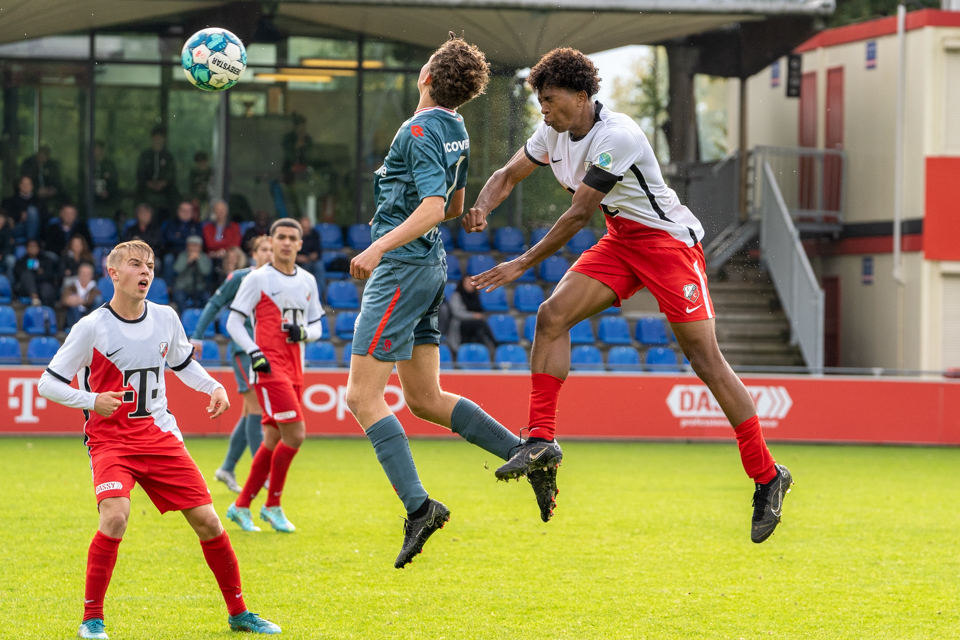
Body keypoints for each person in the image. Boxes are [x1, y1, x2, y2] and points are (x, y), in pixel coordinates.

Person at [466, 47, 793, 543]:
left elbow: (578, 214)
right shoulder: (552, 130)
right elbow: (507, 175)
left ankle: (768, 476)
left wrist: (522, 262)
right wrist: (481, 207)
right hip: (622, 239)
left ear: (582, 96)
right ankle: (541, 441)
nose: (543, 110)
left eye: (550, 100)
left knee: (706, 361)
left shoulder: (617, 135)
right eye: (539, 100)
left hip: (668, 246)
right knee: (551, 315)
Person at [344, 36, 556, 571]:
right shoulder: (455, 127)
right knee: (425, 398)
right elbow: (457, 203)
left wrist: (377, 244)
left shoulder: (416, 128)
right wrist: (464, 215)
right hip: (431, 267)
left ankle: (420, 508)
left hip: (401, 269)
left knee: (361, 398)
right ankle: (524, 453)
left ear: (428, 77)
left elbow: (436, 205)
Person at [36, 240, 281, 638]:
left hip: (160, 436)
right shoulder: (92, 327)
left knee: (209, 523)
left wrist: (214, 387)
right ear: (113, 273)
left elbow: (183, 363)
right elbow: (48, 382)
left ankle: (239, 614)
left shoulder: (166, 317)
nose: (145, 271)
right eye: (135, 264)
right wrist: (91, 400)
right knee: (115, 518)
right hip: (111, 441)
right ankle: (92, 620)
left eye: (150, 264)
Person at [224, 219, 323, 534]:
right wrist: (255, 353)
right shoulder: (258, 279)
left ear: (299, 244)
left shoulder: (307, 280)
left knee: (273, 439)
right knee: (296, 434)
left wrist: (303, 332)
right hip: (269, 368)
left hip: (296, 366)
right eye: (280, 237)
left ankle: (240, 507)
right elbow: (234, 323)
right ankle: (272, 505)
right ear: (273, 240)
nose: (286, 242)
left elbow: (319, 326)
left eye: (292, 238)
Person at [190, 236, 273, 494]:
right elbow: (215, 303)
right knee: (256, 408)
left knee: (250, 411)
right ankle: (263, 473)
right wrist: (197, 336)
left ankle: (227, 468)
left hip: (265, 351)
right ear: (253, 254)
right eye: (263, 250)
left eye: (271, 250)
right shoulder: (241, 277)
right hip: (243, 350)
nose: (269, 254)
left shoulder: (279, 281)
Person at [135, 126, 178, 221]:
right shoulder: (145, 155)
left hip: (165, 192)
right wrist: (148, 183)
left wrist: (163, 183)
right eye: (156, 137)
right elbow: (140, 173)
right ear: (152, 138)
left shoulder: (168, 156)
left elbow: (172, 175)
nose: (158, 140)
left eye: (160, 137)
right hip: (147, 191)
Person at [446, 275, 496, 351]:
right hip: (460, 323)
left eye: (471, 282)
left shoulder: (475, 296)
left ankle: (482, 354)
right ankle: (495, 343)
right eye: (467, 282)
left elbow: (480, 311)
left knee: (480, 332)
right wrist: (473, 315)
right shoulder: (457, 296)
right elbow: (457, 313)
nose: (469, 284)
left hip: (474, 325)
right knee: (481, 323)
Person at [161, 201, 203, 278]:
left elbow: (198, 240)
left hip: (191, 252)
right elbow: (170, 239)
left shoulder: (196, 225)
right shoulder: (170, 224)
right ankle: (168, 287)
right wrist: (187, 239)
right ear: (178, 211)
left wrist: (180, 237)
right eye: (183, 210)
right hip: (174, 252)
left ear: (192, 213)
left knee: (204, 261)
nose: (186, 213)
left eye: (188, 211)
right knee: (168, 259)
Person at [13, 238, 59, 307]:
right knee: (27, 275)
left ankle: (47, 312)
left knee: (46, 288)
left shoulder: (45, 260)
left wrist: (33, 274)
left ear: (38, 248)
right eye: (30, 246)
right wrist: (37, 272)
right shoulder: (21, 261)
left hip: (41, 285)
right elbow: (20, 274)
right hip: (25, 289)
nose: (32, 248)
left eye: (34, 246)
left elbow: (49, 275)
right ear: (27, 249)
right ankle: (35, 298)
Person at [172, 236, 212, 310]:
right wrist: (188, 261)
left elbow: (206, 272)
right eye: (191, 245)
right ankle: (185, 318)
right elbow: (177, 269)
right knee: (179, 298)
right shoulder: (182, 256)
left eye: (196, 246)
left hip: (199, 288)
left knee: (207, 298)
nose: (194, 248)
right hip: (183, 287)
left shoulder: (204, 257)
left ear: (200, 247)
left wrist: (198, 260)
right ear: (187, 246)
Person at [1, 175, 45, 242]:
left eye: (28, 184)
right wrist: (20, 215)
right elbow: (5, 215)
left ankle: (30, 242)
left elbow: (45, 217)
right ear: (19, 185)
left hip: (36, 230)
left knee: (32, 211)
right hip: (17, 229)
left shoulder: (39, 201)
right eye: (23, 183)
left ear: (32, 186)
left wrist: (30, 217)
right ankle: (31, 243)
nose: (26, 186)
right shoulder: (10, 201)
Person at [62, 262, 101, 329]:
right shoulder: (71, 286)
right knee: (73, 304)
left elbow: (91, 302)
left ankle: (90, 328)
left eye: (87, 273)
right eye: (82, 273)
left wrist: (82, 301)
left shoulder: (95, 289)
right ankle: (78, 329)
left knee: (98, 300)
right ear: (79, 274)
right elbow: (63, 300)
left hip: (89, 315)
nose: (84, 275)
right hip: (74, 316)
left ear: (91, 275)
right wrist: (68, 300)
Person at [295, 215, 326, 299]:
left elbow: (318, 252)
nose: (306, 229)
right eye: (304, 227)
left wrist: (313, 256)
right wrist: (297, 258)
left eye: (307, 227)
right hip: (297, 263)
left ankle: (321, 293)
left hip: (311, 261)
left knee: (319, 265)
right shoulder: (294, 236)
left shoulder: (315, 234)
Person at [92, 141, 121, 218]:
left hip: (109, 200)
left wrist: (107, 192)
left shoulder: (109, 164)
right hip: (93, 200)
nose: (97, 151)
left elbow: (114, 181)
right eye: (95, 149)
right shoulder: (89, 165)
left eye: (99, 148)